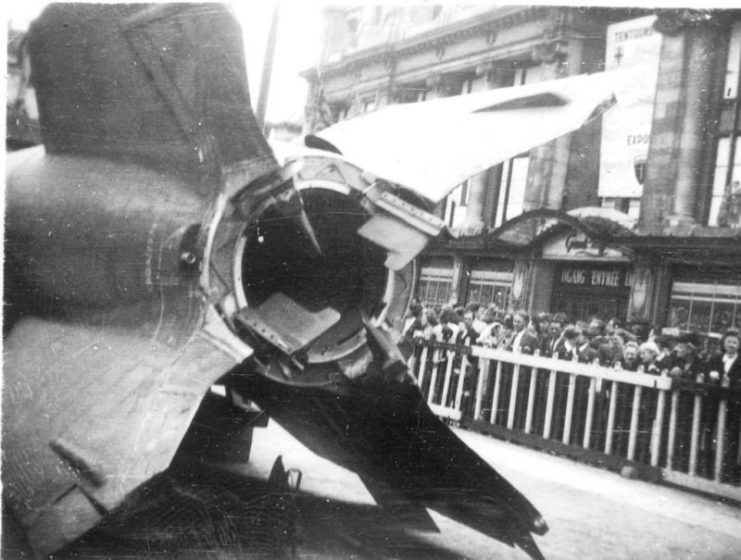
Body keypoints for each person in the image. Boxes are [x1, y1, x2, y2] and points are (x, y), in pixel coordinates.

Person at [705, 328, 741, 483]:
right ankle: (707, 467)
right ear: (724, 343)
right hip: (714, 402)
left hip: (733, 405)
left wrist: (731, 382)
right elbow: (706, 371)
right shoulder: (717, 358)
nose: (732, 345)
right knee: (711, 432)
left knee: (731, 436)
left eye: (735, 342)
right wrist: (711, 374)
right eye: (729, 341)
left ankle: (728, 471)